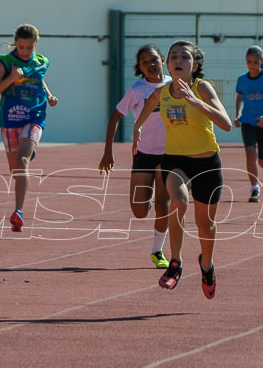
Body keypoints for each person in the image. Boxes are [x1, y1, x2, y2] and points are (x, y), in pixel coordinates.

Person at [133, 40, 232, 299]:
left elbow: (226, 124)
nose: (178, 60)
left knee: (205, 225)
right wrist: (137, 128)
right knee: (178, 201)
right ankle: (175, 263)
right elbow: (147, 105)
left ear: (194, 65)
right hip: (175, 161)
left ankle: (207, 266)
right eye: (173, 56)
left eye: (184, 57)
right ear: (167, 64)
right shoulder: (162, 91)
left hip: (206, 163)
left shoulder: (203, 88)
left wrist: (198, 103)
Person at [99, 44, 172, 268]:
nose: (150, 65)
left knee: (163, 203)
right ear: (139, 67)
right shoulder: (136, 90)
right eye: (144, 62)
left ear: (162, 59)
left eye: (153, 59)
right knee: (139, 211)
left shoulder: (174, 84)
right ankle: (150, 194)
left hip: (170, 153)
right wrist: (108, 151)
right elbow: (115, 118)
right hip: (143, 153)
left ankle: (157, 251)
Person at [0, 23, 58, 232]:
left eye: (29, 48)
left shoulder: (42, 61)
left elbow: (39, 79)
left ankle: (19, 211)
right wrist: (11, 78)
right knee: (16, 171)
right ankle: (26, 157)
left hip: (34, 116)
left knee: (23, 159)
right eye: (21, 47)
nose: (25, 52)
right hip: (10, 119)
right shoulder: (5, 63)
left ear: (36, 45)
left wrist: (50, 96)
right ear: (15, 43)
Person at [233, 45, 263, 202]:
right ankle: (255, 188)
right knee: (249, 151)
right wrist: (238, 115)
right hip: (248, 121)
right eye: (249, 61)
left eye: (255, 61)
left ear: (262, 61)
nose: (252, 65)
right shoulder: (242, 79)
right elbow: (239, 98)